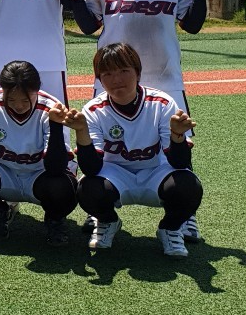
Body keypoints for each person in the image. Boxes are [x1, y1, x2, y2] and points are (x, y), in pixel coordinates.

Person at [66, 0, 208, 242]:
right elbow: (89, 26)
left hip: (164, 75)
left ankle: (184, 215)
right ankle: (98, 209)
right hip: (113, 78)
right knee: (103, 142)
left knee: (179, 145)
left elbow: (192, 25)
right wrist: (76, 0)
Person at [63, 43, 203, 257]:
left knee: (188, 185)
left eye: (123, 71)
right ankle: (108, 221)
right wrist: (81, 132)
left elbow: (180, 162)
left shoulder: (161, 103)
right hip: (115, 173)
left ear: (138, 72)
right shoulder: (93, 110)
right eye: (107, 74)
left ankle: (170, 228)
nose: (116, 79)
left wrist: (177, 136)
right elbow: (91, 169)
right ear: (99, 79)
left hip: (155, 171)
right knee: (87, 188)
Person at [0, 61, 78, 245]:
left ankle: (54, 219)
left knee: (65, 187)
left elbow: (56, 167)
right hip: (4, 172)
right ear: (2, 90)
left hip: (39, 174)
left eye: (25, 100)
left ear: (36, 90)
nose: (18, 106)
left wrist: (56, 126)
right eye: (10, 99)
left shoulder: (51, 108)